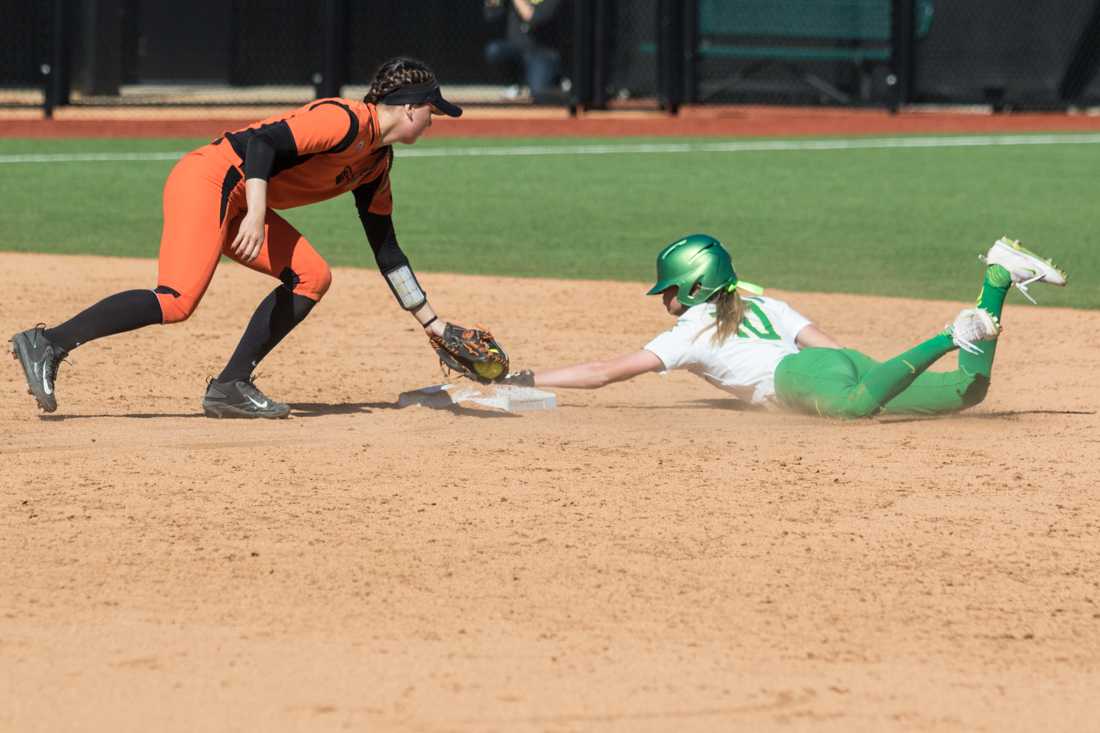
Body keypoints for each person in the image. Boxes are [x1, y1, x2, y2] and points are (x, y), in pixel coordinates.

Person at [10, 57, 468, 419]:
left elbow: (387, 251)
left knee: (312, 276)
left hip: (243, 197)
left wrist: (432, 322)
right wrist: (253, 212)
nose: (434, 119)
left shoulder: (375, 164)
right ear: (409, 106)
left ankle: (230, 385)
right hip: (210, 179)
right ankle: (50, 342)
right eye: (433, 109)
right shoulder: (344, 119)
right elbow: (262, 144)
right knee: (176, 300)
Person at [504, 235, 1067, 419]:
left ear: (695, 286)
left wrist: (527, 380)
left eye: (670, 288)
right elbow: (830, 347)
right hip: (838, 366)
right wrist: (867, 376)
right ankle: (997, 275)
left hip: (801, 378)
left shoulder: (687, 335)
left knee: (851, 411)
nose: (666, 298)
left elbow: (604, 373)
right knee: (968, 392)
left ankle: (953, 334)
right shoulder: (763, 302)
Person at [483, 0, 564, 102]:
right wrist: (493, 3)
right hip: (516, 50)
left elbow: (532, 17)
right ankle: (514, 85)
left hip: (542, 53)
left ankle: (557, 83)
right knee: (494, 51)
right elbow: (492, 15)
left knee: (539, 94)